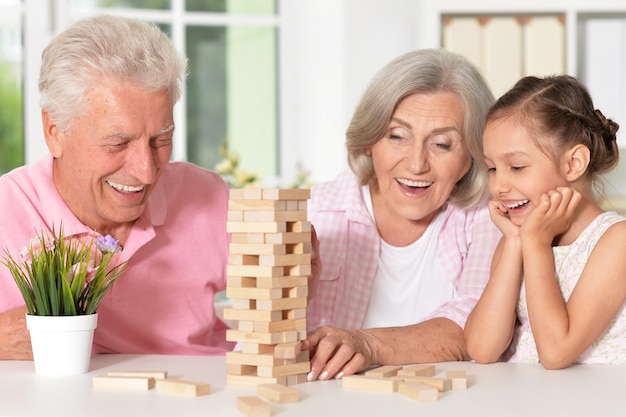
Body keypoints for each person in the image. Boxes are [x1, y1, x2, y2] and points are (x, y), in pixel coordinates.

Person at [0, 14, 323, 360]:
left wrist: (295, 276)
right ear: (54, 132)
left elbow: (277, 302)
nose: (146, 171)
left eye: (161, 138)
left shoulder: (207, 196)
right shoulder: (8, 210)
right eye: (118, 143)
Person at [302, 48, 501, 381]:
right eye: (397, 136)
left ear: (473, 155)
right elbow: (255, 346)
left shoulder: (490, 216)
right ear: (369, 140)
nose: (416, 164)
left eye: (442, 144)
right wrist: (291, 301)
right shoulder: (317, 212)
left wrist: (368, 344)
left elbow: (478, 322)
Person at [464, 75, 626, 369]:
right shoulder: (515, 241)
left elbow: (556, 352)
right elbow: (482, 348)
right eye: (492, 168)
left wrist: (536, 244)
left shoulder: (616, 241)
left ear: (573, 163)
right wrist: (515, 243)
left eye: (517, 167)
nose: (499, 185)